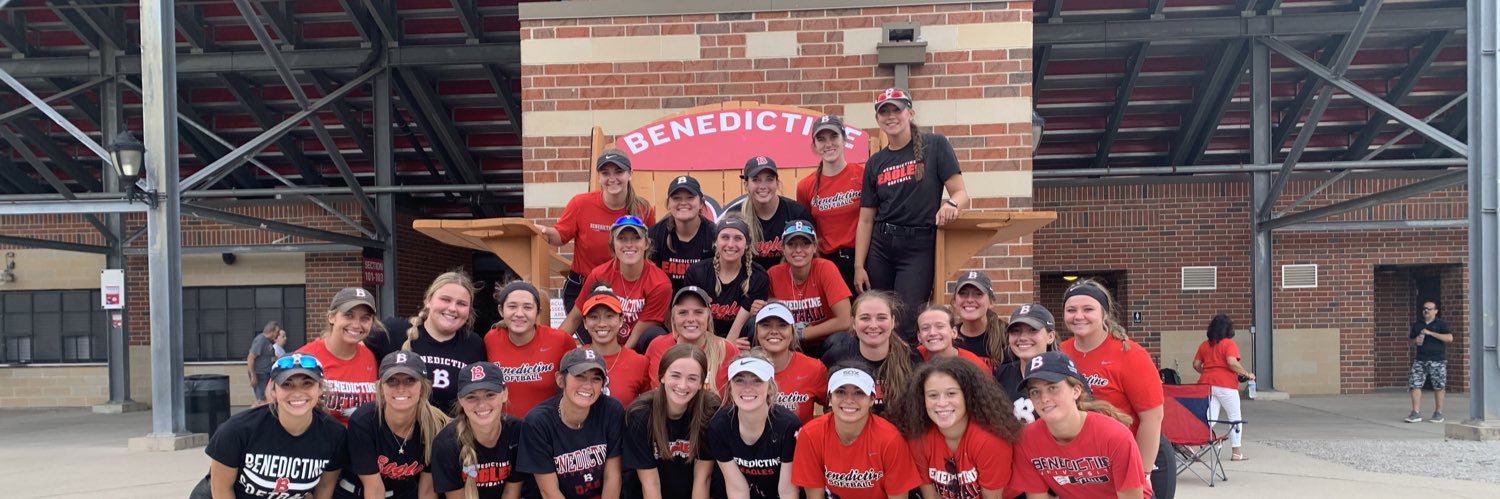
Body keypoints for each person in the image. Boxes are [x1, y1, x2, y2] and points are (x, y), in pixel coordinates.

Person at [854, 88, 971, 343]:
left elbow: (961, 193)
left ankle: (907, 378)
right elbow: (865, 219)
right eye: (883, 111)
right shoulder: (875, 162)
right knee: (879, 316)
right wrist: (859, 265)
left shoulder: (936, 145)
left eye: (896, 109)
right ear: (878, 120)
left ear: (910, 112)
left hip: (918, 245)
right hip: (881, 246)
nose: (890, 116)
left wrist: (951, 204)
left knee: (907, 321)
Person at [1057, 280, 1173, 499]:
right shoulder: (1060, 353)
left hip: (1138, 457)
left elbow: (1152, 418)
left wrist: (1142, 473)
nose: (1078, 316)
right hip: (1088, 466)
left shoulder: (1131, 355)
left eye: (1088, 309)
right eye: (1071, 310)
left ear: (1105, 314)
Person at [201, 353, 346, 499]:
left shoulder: (334, 434)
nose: (297, 393)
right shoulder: (237, 430)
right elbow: (221, 489)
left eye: (307, 383)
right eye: (287, 384)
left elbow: (325, 487)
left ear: (320, 389)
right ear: (273, 391)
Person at [1010, 352, 1152, 499]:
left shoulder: (1115, 436)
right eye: (1035, 392)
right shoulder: (1027, 439)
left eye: (1052, 388)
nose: (1044, 398)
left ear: (1076, 391)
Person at [539, 149, 656, 313]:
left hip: (627, 291)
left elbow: (649, 252)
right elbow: (560, 236)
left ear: (630, 174)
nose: (612, 178)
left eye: (619, 172)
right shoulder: (580, 204)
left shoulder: (643, 210)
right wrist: (544, 231)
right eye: (605, 173)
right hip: (584, 289)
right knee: (592, 338)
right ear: (599, 177)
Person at [888, 358, 1023, 499]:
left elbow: (992, 497)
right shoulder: (918, 437)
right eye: (933, 395)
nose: (941, 403)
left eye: (951, 393)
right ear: (922, 399)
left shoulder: (990, 440)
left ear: (968, 396)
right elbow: (930, 496)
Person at [790, 366, 922, 498]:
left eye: (859, 392)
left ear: (872, 399)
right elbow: (814, 497)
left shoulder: (890, 439)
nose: (849, 400)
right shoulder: (811, 434)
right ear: (829, 398)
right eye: (840, 392)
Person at [337, 351, 451, 499]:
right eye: (392, 380)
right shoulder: (363, 421)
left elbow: (427, 492)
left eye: (410, 380)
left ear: (423, 387)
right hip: (356, 493)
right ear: (380, 388)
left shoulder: (435, 425)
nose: (401, 388)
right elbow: (374, 490)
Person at [518, 347, 626, 499]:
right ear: (560, 380)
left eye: (596, 378)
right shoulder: (538, 422)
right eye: (580, 376)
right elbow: (549, 493)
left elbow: (613, 477)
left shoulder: (612, 410)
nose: (588, 385)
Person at [370, 271, 486, 412]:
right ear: (428, 300)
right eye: (445, 299)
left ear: (469, 310)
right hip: (399, 429)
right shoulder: (393, 331)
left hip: (449, 431)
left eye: (461, 304)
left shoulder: (474, 345)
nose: (452, 308)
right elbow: (353, 350)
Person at [560, 215, 672, 352]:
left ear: (646, 243)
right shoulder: (599, 275)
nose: (629, 244)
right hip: (603, 340)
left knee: (654, 334)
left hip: (638, 348)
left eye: (636, 238)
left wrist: (619, 360)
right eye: (622, 238)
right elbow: (574, 318)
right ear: (613, 244)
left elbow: (638, 333)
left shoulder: (659, 283)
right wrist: (553, 350)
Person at [625, 344, 724, 499]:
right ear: (662, 376)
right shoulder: (640, 414)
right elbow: (650, 484)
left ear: (700, 384)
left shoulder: (709, 410)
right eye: (675, 375)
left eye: (692, 378)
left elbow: (702, 479)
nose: (682, 385)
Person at [708, 353, 802, 499]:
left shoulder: (788, 426)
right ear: (730, 387)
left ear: (770, 387)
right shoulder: (719, 427)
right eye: (739, 380)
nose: (747, 388)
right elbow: (737, 489)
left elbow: (787, 492)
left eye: (757, 381)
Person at [430, 361, 525, 499]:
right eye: (471, 397)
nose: (481, 404)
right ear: (460, 401)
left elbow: (511, 493)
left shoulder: (517, 431)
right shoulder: (446, 443)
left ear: (505, 394)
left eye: (490, 394)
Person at [485, 280, 577, 419]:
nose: (519, 313)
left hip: (546, 429)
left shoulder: (561, 340)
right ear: (501, 310)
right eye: (512, 306)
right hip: (505, 430)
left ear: (538, 312)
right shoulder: (491, 340)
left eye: (527, 307)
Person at [819, 290, 920, 413]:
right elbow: (828, 407)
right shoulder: (837, 356)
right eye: (865, 318)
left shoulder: (912, 359)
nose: (873, 325)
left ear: (893, 321)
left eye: (881, 318)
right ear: (853, 323)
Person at [796, 114, 865, 294]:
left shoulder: (862, 175)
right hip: (827, 263)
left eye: (834, 137)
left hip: (862, 259)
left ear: (844, 139)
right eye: (821, 139)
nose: (828, 144)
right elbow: (807, 229)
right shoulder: (806, 186)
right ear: (814, 145)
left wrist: (861, 265)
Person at [766, 221, 852, 356]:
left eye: (805, 244)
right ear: (783, 248)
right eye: (791, 244)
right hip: (788, 345)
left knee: (842, 341)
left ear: (815, 247)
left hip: (823, 343)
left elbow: (846, 320)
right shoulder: (773, 274)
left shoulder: (825, 268)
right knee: (753, 324)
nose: (798, 250)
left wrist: (802, 333)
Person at [299, 287, 381, 425]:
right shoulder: (306, 358)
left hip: (360, 442)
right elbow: (274, 398)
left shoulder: (370, 357)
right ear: (331, 317)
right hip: (323, 442)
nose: (356, 324)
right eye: (348, 315)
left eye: (365, 318)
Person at [684, 216, 770, 342]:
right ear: (715, 242)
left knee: (754, 322)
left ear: (746, 244)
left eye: (738, 238)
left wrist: (729, 348)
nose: (731, 244)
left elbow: (737, 328)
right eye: (725, 237)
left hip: (739, 342)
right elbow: (693, 319)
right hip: (703, 340)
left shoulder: (757, 276)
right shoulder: (697, 273)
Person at [645, 286, 740, 392]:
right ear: (673, 318)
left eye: (698, 312)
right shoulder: (657, 346)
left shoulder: (727, 350)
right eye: (683, 313)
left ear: (708, 317)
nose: (690, 319)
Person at [729, 155, 814, 271]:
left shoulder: (796, 212)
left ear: (777, 183)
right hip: (750, 284)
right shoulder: (735, 216)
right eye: (756, 180)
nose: (763, 186)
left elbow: (810, 254)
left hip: (789, 282)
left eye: (769, 179)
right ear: (746, 185)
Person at [751, 302, 827, 423]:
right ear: (757, 332)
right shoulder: (745, 370)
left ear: (792, 332)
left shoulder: (814, 368)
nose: (774, 331)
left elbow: (832, 405)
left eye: (782, 325)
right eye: (766, 325)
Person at [1192, 313, 1253, 462]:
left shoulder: (1204, 345)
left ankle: (1193, 446)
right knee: (1234, 417)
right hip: (1226, 385)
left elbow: (1196, 364)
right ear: (1228, 329)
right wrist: (1247, 373)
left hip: (1207, 384)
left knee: (1208, 418)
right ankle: (1236, 452)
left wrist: (1207, 372)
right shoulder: (1228, 344)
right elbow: (1231, 362)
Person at [579, 288, 652, 407]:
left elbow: (646, 409)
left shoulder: (639, 363)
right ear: (585, 322)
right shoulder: (574, 359)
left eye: (609, 316)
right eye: (593, 317)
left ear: (621, 320)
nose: (602, 323)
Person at [650, 175, 717, 290]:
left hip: (704, 304)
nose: (683, 203)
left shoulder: (714, 235)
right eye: (676, 198)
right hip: (666, 304)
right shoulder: (655, 235)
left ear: (701, 203)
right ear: (668, 204)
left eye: (690, 197)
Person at [991, 304, 1058, 406]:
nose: (1022, 337)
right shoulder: (1001, 375)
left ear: (1050, 336)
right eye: (1016, 331)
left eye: (1033, 330)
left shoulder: (1064, 374)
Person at [1405, 300, 1453, 424]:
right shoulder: (1417, 324)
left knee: (1439, 386)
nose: (1426, 311)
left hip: (1437, 360)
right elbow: (1410, 342)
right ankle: (1415, 412)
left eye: (1429, 309)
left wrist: (1431, 333)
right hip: (1420, 359)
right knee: (1415, 384)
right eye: (1424, 308)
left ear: (1436, 311)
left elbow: (1449, 338)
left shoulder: (1441, 324)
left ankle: (1438, 413)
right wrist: (1416, 340)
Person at [951, 271, 1008, 363]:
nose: (969, 299)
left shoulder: (1007, 337)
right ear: (954, 302)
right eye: (963, 293)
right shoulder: (949, 339)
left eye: (978, 294)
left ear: (991, 302)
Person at [914, 305, 990, 371]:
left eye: (940, 326)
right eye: (925, 328)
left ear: (954, 332)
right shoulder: (912, 358)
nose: (932, 333)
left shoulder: (974, 365)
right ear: (919, 336)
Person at [247, 321, 283, 406]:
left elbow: (266, 356)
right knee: (263, 400)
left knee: (269, 398)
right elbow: (251, 357)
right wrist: (253, 375)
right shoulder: (260, 340)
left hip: (267, 373)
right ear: (271, 331)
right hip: (260, 374)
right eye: (277, 332)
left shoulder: (269, 342)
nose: (278, 335)